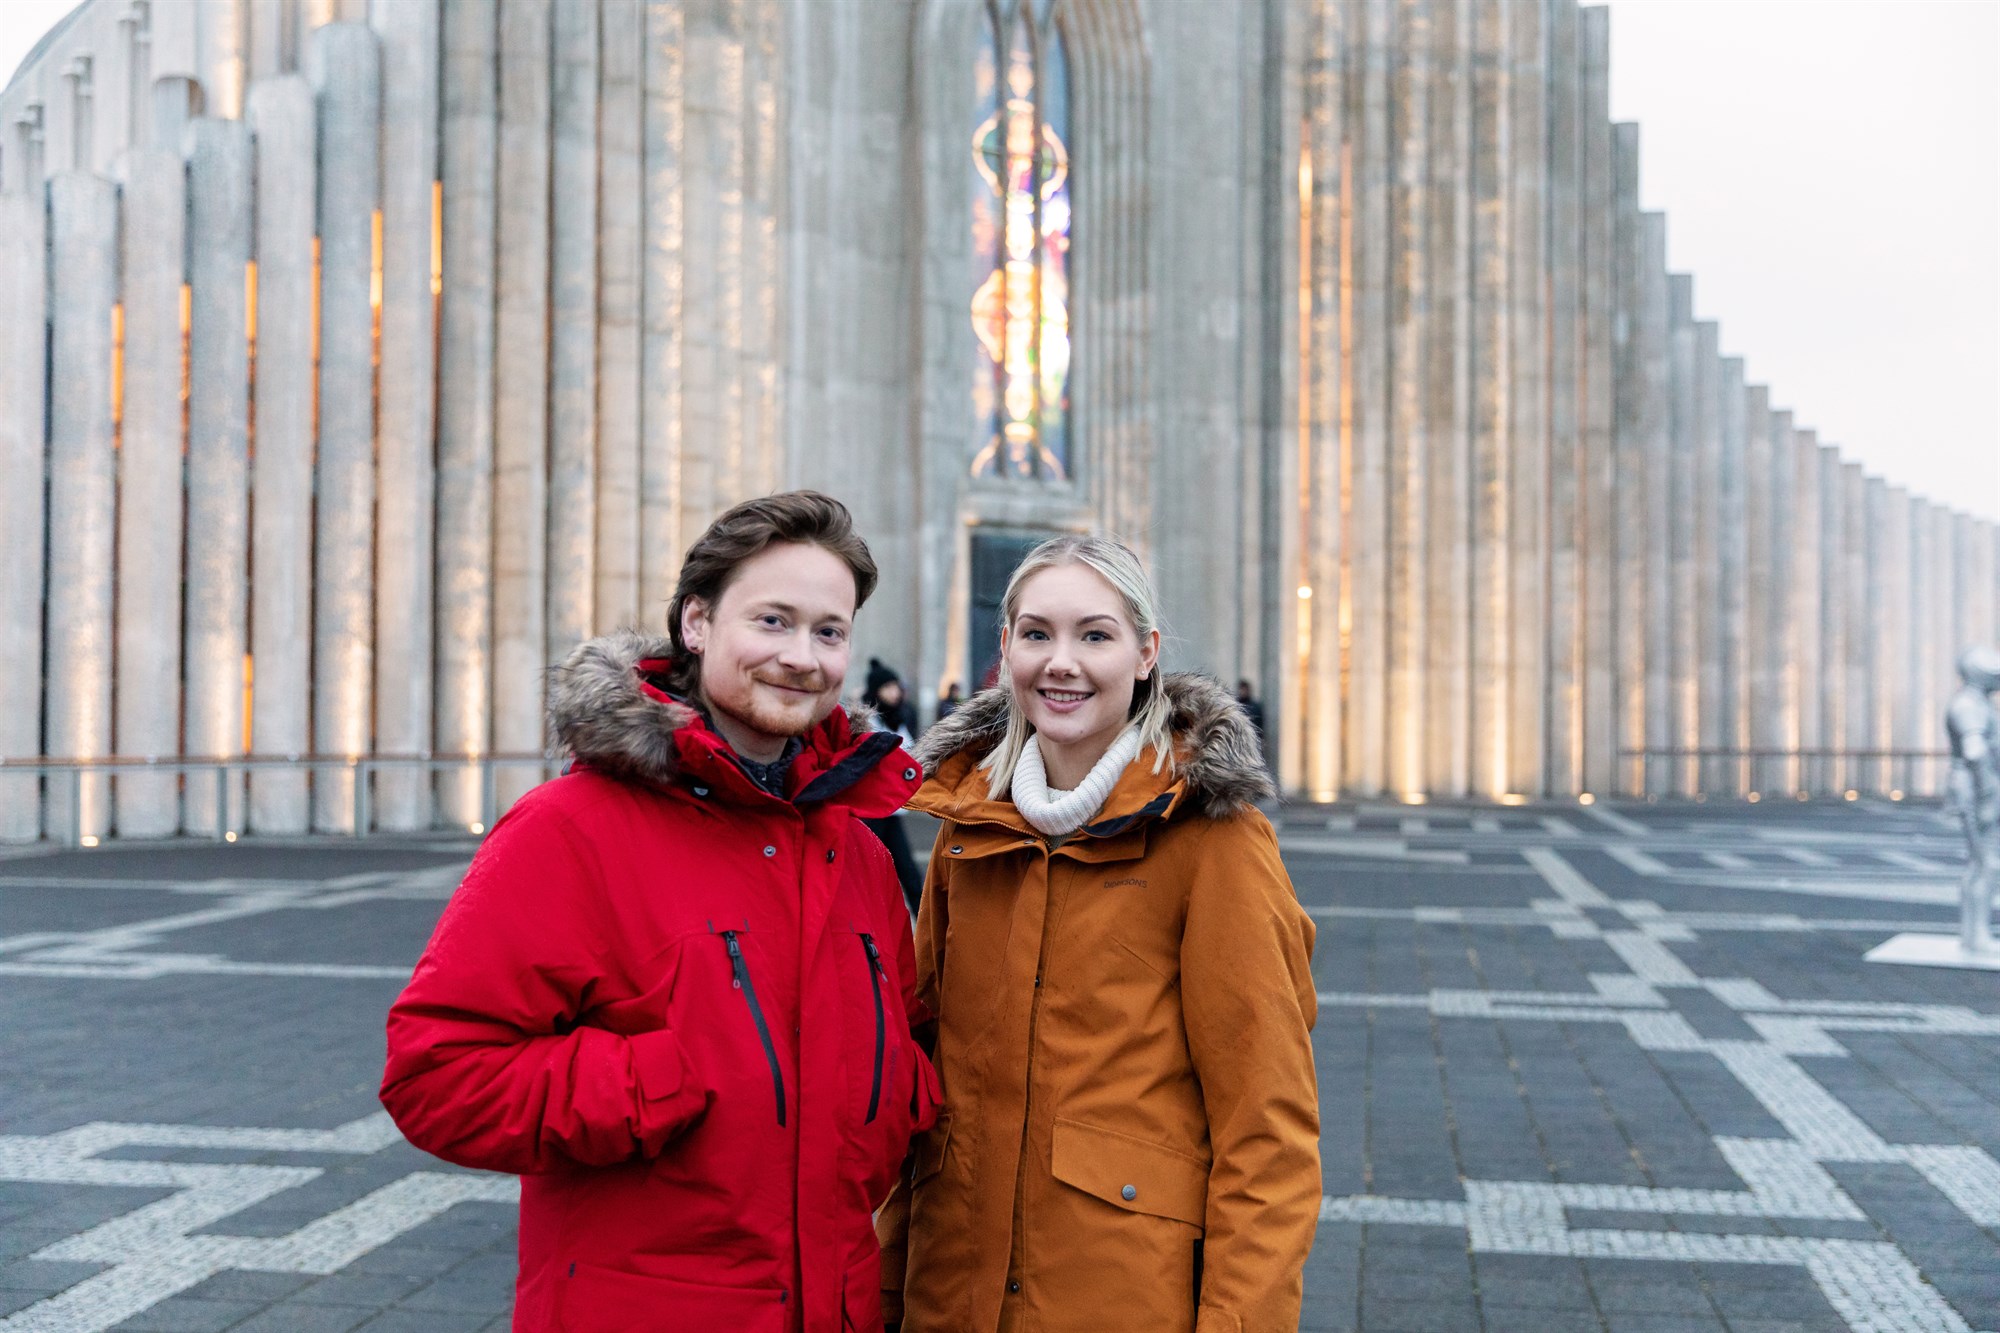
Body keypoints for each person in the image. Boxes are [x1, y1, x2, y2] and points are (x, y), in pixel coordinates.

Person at [381, 492, 938, 1332]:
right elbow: (436, 1072)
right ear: (698, 624)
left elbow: (905, 1040)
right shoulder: (571, 829)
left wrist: (898, 1093)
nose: (800, 656)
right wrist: (653, 1084)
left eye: (828, 631)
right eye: (773, 621)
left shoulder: (853, 849)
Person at [878, 533, 1320, 1333]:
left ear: (1146, 653)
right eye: (1038, 633)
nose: (1062, 662)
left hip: (1119, 1299)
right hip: (951, 1297)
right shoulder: (968, 827)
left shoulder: (1212, 837)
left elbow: (1269, 1133)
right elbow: (922, 1086)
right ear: (1005, 647)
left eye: (1095, 634)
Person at [1946, 646, 2000, 953]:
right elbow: (1975, 751)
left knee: (1980, 864)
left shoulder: (1976, 702)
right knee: (1988, 864)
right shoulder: (1969, 706)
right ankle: (1977, 935)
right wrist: (1989, 793)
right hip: (1978, 788)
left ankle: (1973, 933)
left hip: (1979, 785)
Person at [862, 661, 926, 913]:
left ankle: (925, 929)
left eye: (896, 687)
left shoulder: (900, 719)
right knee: (870, 873)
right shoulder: (868, 724)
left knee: (908, 871)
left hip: (893, 810)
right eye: (887, 687)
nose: (894, 692)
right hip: (871, 811)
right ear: (876, 690)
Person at [1234, 678, 1265, 753]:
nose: (1243, 692)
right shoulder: (1235, 705)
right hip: (1238, 739)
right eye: (1241, 689)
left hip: (1253, 739)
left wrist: (1261, 738)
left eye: (1244, 689)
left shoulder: (1255, 706)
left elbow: (1260, 723)